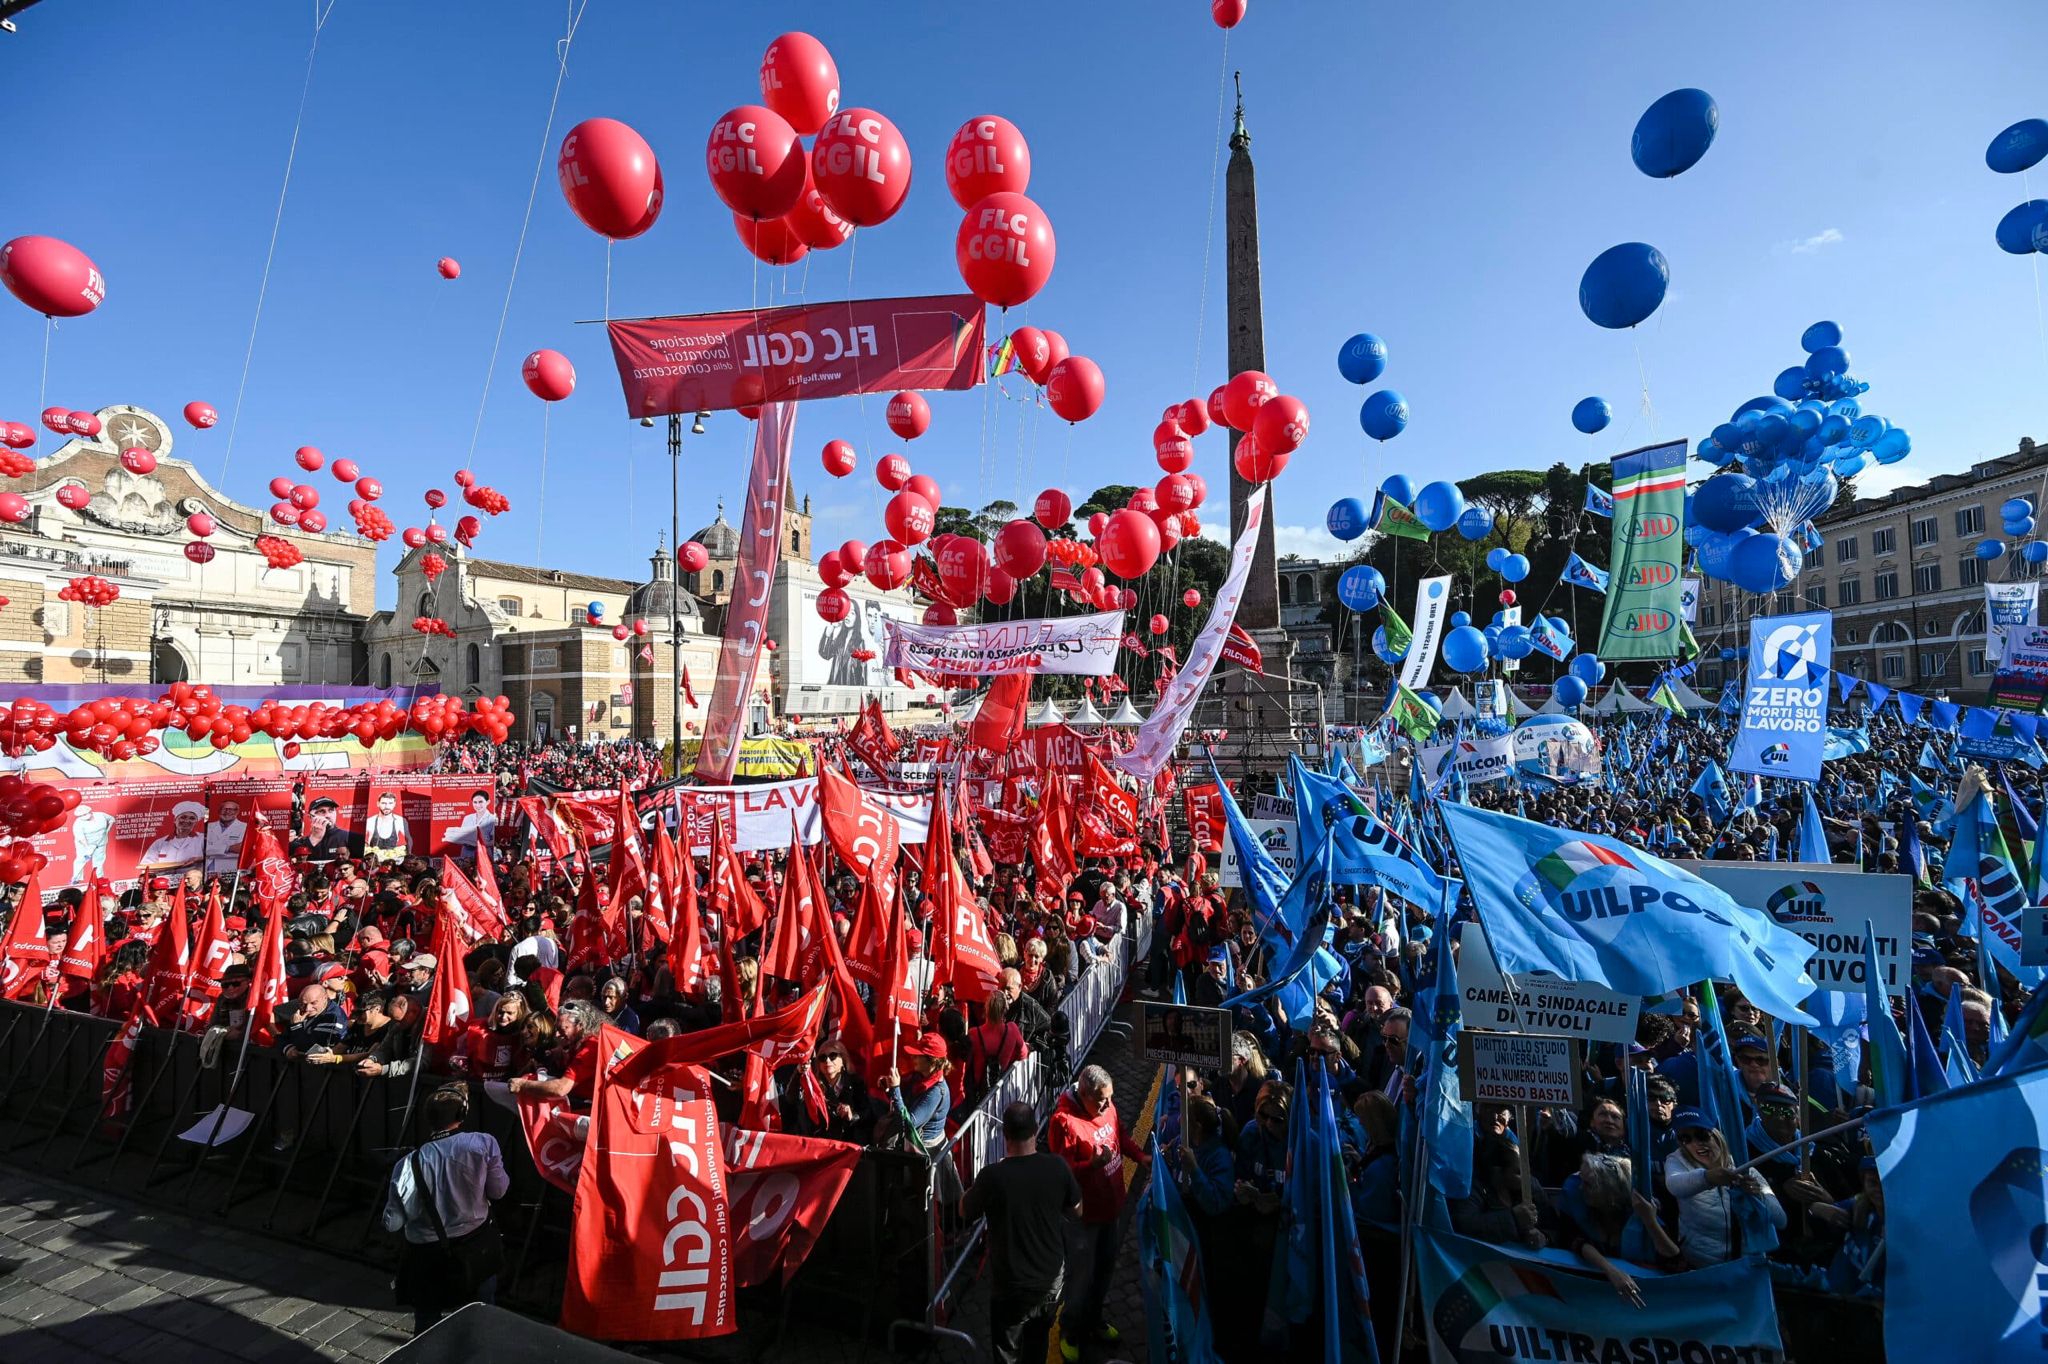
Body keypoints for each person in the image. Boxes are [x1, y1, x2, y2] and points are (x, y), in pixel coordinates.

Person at [961, 1100, 1083, 1364]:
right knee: (1038, 1344)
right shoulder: (1058, 1167)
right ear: (1036, 1129)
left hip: (1011, 1287)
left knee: (1007, 1352)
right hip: (1050, 1280)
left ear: (1005, 1135)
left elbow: (964, 1210)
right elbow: (1077, 1211)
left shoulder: (993, 1176)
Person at [383, 1082, 509, 1334]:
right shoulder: (483, 1144)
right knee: (483, 1319)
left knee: (427, 1322)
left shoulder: (409, 1165)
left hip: (428, 1257)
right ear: (461, 1116)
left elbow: (392, 1223)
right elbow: (499, 1190)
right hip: (477, 1248)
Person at [1048, 1064, 1148, 1360]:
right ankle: (1071, 1329)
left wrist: (1139, 1155)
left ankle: (1093, 1320)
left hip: (1111, 1208)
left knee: (1104, 1270)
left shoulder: (1107, 1106)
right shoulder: (1063, 1122)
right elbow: (1062, 1171)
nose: (1107, 1104)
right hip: (1083, 1218)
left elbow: (1121, 1136)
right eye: (1102, 1099)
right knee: (1081, 1277)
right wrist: (1089, 1166)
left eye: (1109, 1098)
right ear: (1084, 1094)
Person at [1662, 1108, 1785, 1267]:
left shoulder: (1744, 1168)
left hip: (1747, 1264)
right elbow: (1674, 1185)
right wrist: (1709, 1178)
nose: (1695, 1143)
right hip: (1702, 1265)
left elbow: (1781, 1220)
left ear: (1716, 1136)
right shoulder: (1678, 1162)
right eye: (1685, 1138)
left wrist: (1756, 1194)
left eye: (1701, 1135)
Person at [137, 802, 206, 875]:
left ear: (196, 822)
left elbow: (213, 857)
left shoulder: (202, 839)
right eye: (183, 817)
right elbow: (147, 865)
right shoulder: (160, 842)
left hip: (192, 880)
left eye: (192, 818)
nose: (187, 821)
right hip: (164, 880)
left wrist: (198, 859)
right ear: (175, 820)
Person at [294, 797, 352, 864]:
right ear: (311, 817)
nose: (327, 815)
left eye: (331, 810)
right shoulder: (300, 842)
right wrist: (314, 839)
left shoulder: (349, 837)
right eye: (321, 811)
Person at [203, 799, 249, 876]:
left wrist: (214, 849)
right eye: (224, 809)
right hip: (209, 867)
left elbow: (240, 851)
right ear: (219, 811)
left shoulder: (245, 828)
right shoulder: (208, 827)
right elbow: (203, 849)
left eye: (231, 809)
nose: (227, 812)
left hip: (231, 868)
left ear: (237, 812)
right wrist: (229, 848)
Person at [366, 790, 411, 865]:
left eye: (390, 803)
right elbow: (362, 840)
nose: (387, 806)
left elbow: (409, 838)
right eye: (383, 803)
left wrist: (409, 854)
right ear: (378, 804)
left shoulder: (400, 820)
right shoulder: (370, 821)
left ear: (394, 804)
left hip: (394, 860)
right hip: (374, 862)